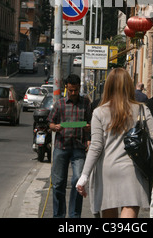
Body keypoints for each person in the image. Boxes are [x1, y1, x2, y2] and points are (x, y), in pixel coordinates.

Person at [76, 68, 153, 219]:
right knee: (130, 207)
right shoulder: (141, 109)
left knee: (109, 212)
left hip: (107, 170)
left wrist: (84, 175)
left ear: (108, 86)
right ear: (128, 86)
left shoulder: (99, 112)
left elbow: (96, 146)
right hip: (133, 169)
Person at [47, 74, 92, 218]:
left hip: (78, 147)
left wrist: (88, 130)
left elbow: (92, 123)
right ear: (67, 88)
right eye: (71, 90)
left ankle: (74, 216)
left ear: (79, 88)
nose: (73, 93)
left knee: (78, 181)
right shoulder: (59, 104)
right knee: (58, 183)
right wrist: (55, 127)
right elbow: (50, 123)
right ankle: (59, 215)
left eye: (76, 90)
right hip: (61, 147)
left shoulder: (86, 103)